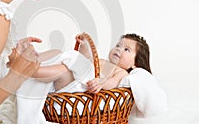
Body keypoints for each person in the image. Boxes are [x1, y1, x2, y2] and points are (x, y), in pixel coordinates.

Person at [23, 32, 151, 93]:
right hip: (76, 77)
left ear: (135, 64)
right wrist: (84, 46)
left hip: (78, 86)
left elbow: (113, 82)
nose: (119, 49)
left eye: (126, 49)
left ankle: (31, 70)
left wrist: (102, 82)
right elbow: (85, 61)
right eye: (118, 45)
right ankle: (33, 59)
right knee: (57, 52)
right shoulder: (102, 61)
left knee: (64, 70)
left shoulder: (122, 72)